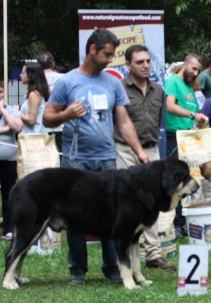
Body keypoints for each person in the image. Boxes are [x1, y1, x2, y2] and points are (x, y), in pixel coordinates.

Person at [43, 28, 151, 285]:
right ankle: (78, 269)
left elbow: (123, 121)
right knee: (75, 214)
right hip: (74, 159)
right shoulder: (67, 82)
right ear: (93, 50)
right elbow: (47, 117)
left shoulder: (113, 83)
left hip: (106, 158)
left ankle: (113, 267)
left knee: (113, 214)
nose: (109, 59)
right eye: (106, 54)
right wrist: (66, 115)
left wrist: (139, 152)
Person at [113, 44, 176, 271]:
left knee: (153, 203)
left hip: (151, 149)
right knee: (126, 203)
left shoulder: (158, 90)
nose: (146, 65)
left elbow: (159, 122)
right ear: (128, 65)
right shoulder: (118, 88)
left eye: (148, 61)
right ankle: (125, 254)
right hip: (124, 149)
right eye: (140, 62)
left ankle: (154, 255)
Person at [165, 53, 207, 237]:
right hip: (174, 137)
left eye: (198, 70)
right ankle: (174, 223)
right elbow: (170, 106)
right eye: (194, 68)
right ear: (185, 65)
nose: (196, 73)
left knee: (189, 180)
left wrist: (201, 123)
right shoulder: (172, 82)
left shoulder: (191, 90)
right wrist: (193, 115)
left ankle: (184, 222)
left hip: (190, 138)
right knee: (175, 181)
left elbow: (196, 115)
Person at [0, 80, 23, 243]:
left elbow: (18, 127)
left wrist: (3, 110)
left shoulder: (10, 110)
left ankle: (8, 229)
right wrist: (5, 129)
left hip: (8, 158)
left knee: (9, 194)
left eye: (1, 92)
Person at [37, 52, 64, 150]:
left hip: (41, 125)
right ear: (52, 63)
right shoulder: (62, 78)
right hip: (60, 124)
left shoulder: (34, 80)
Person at [14, 63, 49, 134]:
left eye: (23, 73)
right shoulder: (35, 93)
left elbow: (31, 120)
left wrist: (16, 112)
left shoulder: (34, 94)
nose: (21, 75)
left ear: (30, 76)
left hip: (34, 138)